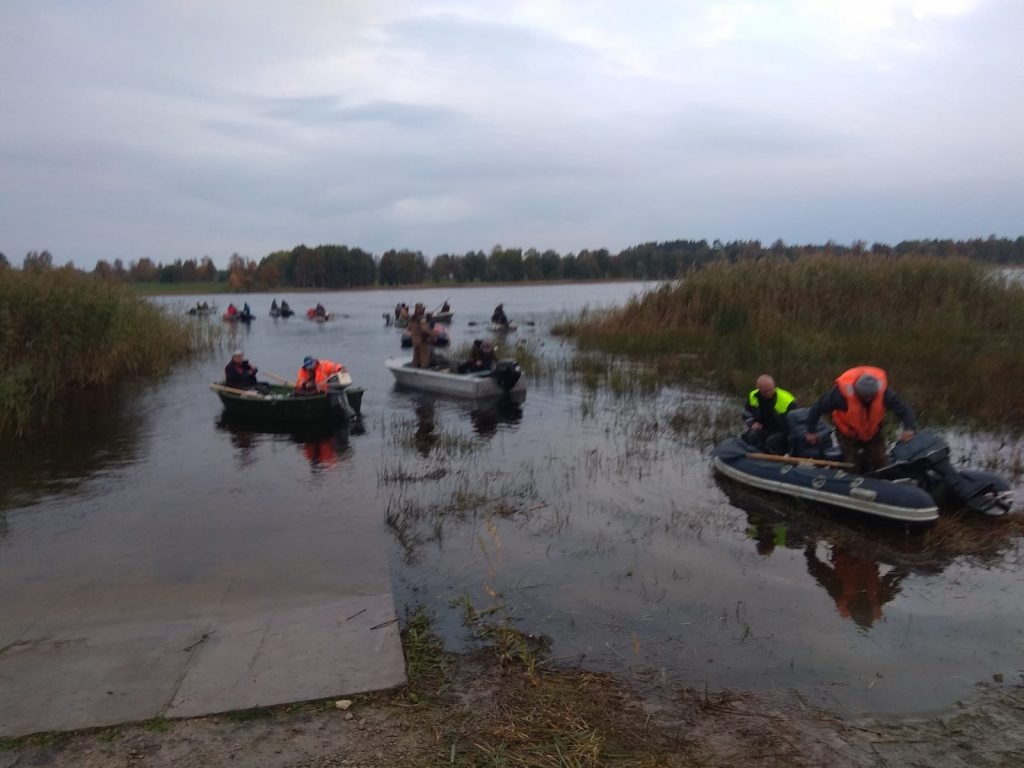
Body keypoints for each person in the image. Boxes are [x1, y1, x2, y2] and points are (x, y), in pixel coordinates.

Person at [804, 366, 916, 473]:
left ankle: (878, 482)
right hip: (847, 432)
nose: (867, 399)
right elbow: (816, 409)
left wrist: (909, 428)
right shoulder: (839, 395)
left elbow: (904, 411)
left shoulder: (886, 394)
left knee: (879, 462)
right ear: (857, 392)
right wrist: (811, 431)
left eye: (870, 397)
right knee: (852, 464)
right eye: (864, 397)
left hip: (872, 432)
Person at [742, 374, 796, 455]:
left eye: (770, 390)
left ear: (774, 387)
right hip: (763, 427)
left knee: (772, 442)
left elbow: (796, 422)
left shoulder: (787, 400)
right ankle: (755, 457)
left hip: (782, 431)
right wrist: (752, 423)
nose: (768, 393)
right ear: (759, 389)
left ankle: (775, 461)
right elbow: (746, 414)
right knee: (750, 436)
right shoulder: (753, 396)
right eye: (765, 391)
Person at [408, 303, 433, 368]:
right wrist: (432, 335)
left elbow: (409, 328)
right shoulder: (422, 318)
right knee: (424, 359)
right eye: (423, 308)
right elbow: (424, 330)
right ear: (420, 309)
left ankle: (414, 371)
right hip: (422, 341)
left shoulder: (412, 318)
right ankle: (424, 371)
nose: (424, 310)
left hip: (415, 341)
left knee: (416, 359)